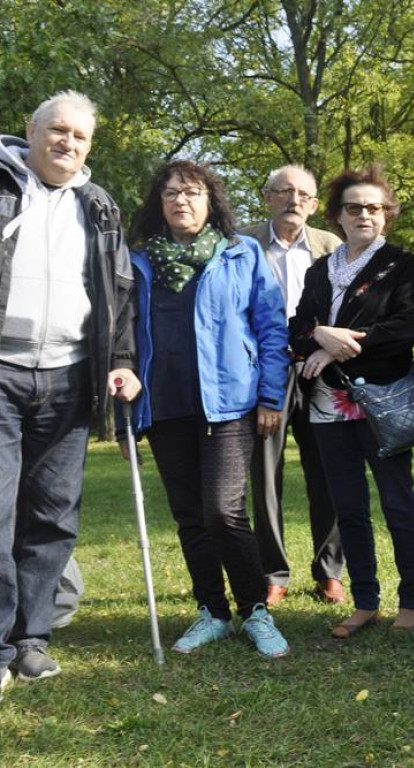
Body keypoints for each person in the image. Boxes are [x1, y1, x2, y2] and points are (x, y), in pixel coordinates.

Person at [122, 159, 290, 659]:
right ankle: (212, 611)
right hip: (164, 400)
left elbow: (271, 325)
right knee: (190, 514)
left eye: (192, 192)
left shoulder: (242, 252)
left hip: (229, 401)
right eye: (171, 193)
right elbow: (124, 335)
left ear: (210, 200)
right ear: (158, 204)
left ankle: (255, 609)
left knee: (223, 510)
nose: (181, 201)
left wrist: (270, 395)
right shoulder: (137, 261)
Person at [0, 91, 140, 695]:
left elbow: (120, 292)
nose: (68, 143)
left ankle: (33, 640)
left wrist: (124, 361)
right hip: (2, 370)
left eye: (80, 136)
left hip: (70, 375)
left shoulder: (99, 206)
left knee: (53, 513)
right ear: (30, 133)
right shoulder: (5, 189)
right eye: (57, 131)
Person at [290, 164, 414, 637]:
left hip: (382, 400)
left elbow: (404, 328)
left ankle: (412, 601)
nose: (364, 214)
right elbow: (297, 328)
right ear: (337, 215)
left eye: (374, 207)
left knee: (398, 502)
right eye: (354, 207)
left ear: (386, 214)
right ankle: (366, 601)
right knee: (347, 505)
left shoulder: (401, 264)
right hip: (327, 406)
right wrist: (319, 335)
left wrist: (331, 344)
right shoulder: (318, 270)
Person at [242, 165, 344, 607]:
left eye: (304, 194)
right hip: (264, 372)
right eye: (284, 191)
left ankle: (330, 572)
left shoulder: (331, 246)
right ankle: (272, 572)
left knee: (328, 471)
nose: (294, 200)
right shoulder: (242, 243)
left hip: (319, 368)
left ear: (316, 204)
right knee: (265, 475)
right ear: (267, 197)